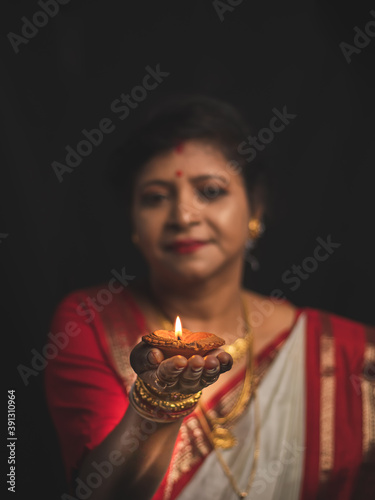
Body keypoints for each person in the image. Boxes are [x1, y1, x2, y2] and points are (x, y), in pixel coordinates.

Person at [45, 95, 375, 500]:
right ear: (134, 223)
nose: (183, 216)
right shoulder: (91, 319)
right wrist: (156, 408)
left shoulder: (352, 355)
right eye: (155, 197)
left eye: (210, 191)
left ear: (255, 209)